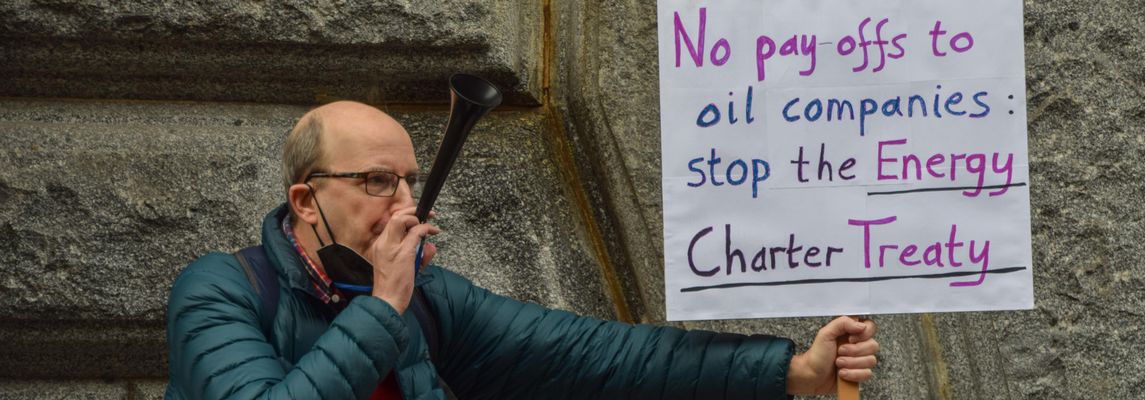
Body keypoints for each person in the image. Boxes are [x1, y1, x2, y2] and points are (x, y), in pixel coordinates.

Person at [165, 101, 879, 399]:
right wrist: (384, 303)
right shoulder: (220, 290)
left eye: (410, 182)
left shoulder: (429, 303)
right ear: (305, 201)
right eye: (378, 182)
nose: (406, 204)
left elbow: (598, 357)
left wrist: (790, 371)